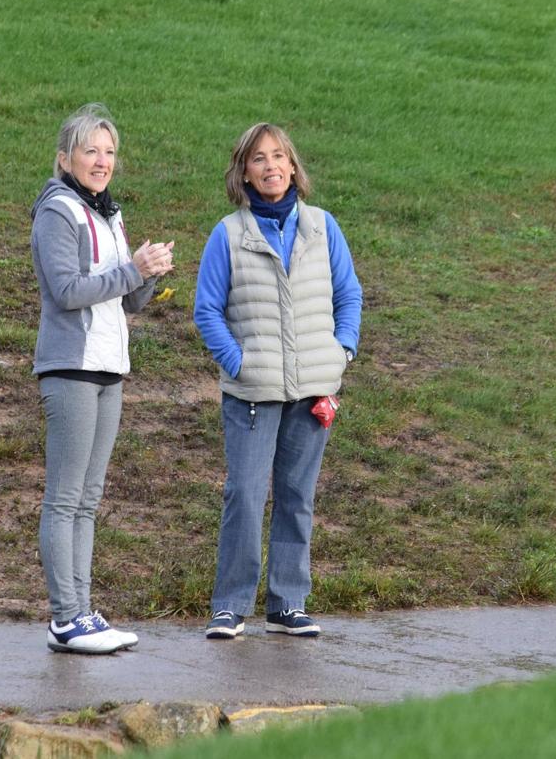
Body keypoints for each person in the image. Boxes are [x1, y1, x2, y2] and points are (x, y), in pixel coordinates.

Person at [193, 122, 362, 639]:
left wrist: (341, 352)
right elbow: (207, 311)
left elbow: (349, 296)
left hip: (313, 387)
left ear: (293, 167)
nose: (270, 167)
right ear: (244, 170)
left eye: (279, 157)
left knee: (296, 494)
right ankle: (230, 605)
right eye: (258, 159)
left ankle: (288, 603)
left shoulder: (323, 226)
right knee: (244, 494)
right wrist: (238, 363)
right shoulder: (228, 233)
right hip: (251, 392)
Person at [29, 103, 174, 654]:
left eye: (110, 151)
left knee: (88, 499)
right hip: (70, 365)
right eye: (91, 150)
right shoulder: (57, 212)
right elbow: (66, 291)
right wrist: (133, 269)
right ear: (65, 157)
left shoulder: (109, 213)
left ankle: (83, 613)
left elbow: (125, 298)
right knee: (65, 498)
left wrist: (150, 273)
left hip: (111, 366)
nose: (102, 160)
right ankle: (66, 616)